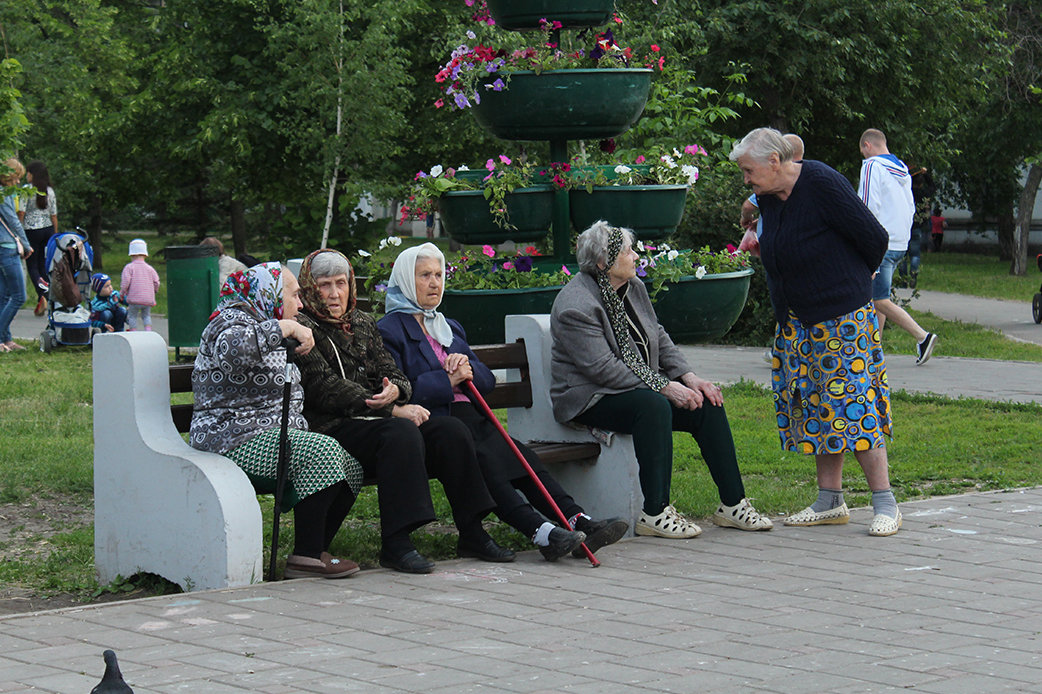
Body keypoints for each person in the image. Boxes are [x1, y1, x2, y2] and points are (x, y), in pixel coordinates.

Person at [379, 243, 629, 560]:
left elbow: (484, 382)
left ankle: (576, 519)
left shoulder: (447, 326)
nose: (434, 282)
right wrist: (448, 380)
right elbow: (401, 387)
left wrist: (467, 368)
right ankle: (542, 532)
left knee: (520, 457)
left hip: (470, 416)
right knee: (488, 460)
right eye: (424, 275)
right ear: (404, 279)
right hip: (435, 425)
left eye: (439, 274)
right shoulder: (389, 330)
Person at [294, 248, 514, 574]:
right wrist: (390, 408)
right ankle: (397, 542)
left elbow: (394, 372)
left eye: (341, 283)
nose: (335, 293)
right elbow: (325, 389)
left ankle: (472, 531)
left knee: (450, 431)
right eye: (325, 284)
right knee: (399, 432)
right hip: (334, 426)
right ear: (310, 288)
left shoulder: (362, 323)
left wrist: (397, 389)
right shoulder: (302, 327)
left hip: (376, 420)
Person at [550, 222, 772, 539]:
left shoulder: (633, 287)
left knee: (707, 402)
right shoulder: (577, 305)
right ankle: (655, 512)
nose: (635, 255)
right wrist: (665, 387)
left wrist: (690, 378)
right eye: (627, 251)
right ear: (602, 263)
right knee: (653, 407)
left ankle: (733, 504)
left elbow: (659, 337)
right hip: (589, 397)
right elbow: (603, 369)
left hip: (635, 386)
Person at [730, 126, 901, 536]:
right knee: (817, 407)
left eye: (749, 170)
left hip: (841, 317)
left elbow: (874, 238)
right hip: (797, 320)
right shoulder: (770, 198)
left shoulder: (821, 182)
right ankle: (830, 500)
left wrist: (852, 282)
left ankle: (886, 503)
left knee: (853, 407)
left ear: (775, 161)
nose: (747, 180)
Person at [190, 262, 363, 578]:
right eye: (294, 295)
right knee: (321, 453)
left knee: (350, 467)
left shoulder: (262, 321)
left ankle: (312, 550)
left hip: (270, 435)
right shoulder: (228, 321)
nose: (300, 304)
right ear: (269, 293)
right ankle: (306, 558)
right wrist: (285, 328)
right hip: (231, 438)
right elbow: (232, 351)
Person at [858, 129, 937, 365]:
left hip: (879, 242)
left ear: (867, 146)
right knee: (879, 296)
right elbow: (910, 206)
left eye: (862, 152)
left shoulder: (872, 166)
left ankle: (922, 337)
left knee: (878, 299)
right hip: (899, 242)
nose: (863, 157)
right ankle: (875, 351)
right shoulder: (902, 169)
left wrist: (862, 239)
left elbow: (867, 204)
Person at [17, 161, 58, 316]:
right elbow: (54, 215)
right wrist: (55, 234)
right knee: (43, 265)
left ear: (32, 174)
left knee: (32, 265)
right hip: (47, 230)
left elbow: (21, 213)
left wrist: (18, 233)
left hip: (31, 231)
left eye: (28, 173)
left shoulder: (26, 190)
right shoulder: (50, 191)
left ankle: (43, 296)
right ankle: (48, 297)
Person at [0, 158, 32, 353]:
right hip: (7, 248)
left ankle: (7, 339)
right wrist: (27, 246)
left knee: (3, 297)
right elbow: (13, 221)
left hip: (3, 247)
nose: (18, 182)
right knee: (19, 296)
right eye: (17, 177)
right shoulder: (4, 194)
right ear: (9, 176)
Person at [120, 238, 160, 331]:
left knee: (132, 316)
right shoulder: (150, 268)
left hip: (134, 299)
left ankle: (134, 332)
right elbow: (156, 282)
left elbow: (125, 282)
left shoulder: (129, 267)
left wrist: (122, 293)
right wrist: (154, 291)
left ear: (131, 254)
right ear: (145, 254)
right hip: (147, 299)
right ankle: (148, 331)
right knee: (146, 316)